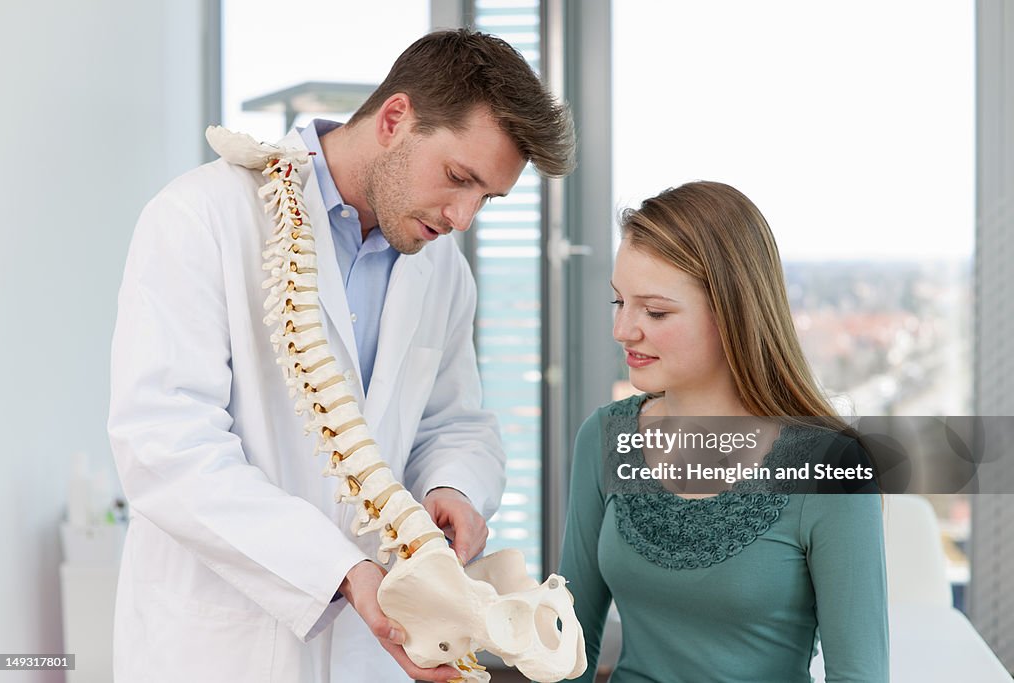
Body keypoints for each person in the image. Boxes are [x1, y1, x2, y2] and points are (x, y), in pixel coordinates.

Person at [108, 29, 574, 683]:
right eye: (458, 178)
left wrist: (451, 488)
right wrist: (338, 569)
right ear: (394, 119)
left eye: (486, 198)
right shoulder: (201, 217)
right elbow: (165, 447)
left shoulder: (440, 269)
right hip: (219, 649)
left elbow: (454, 422)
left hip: (369, 657)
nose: (464, 216)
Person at [559, 181, 888, 682]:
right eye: (618, 303)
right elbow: (567, 649)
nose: (623, 330)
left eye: (655, 311)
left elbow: (859, 675)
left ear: (732, 312)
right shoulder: (604, 437)